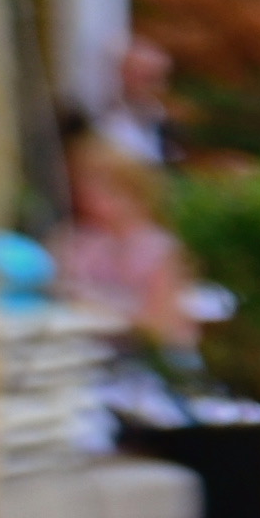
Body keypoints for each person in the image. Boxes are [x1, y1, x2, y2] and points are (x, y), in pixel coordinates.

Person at [53, 133, 200, 353]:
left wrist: (103, 312)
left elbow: (162, 326)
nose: (84, 195)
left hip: (147, 357)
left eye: (101, 185)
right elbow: (58, 294)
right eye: (78, 184)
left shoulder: (159, 248)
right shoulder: (76, 240)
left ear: (130, 190)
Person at [94, 36, 181, 170]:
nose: (160, 88)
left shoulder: (158, 120)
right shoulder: (110, 126)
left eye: (162, 78)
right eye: (150, 79)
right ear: (124, 75)